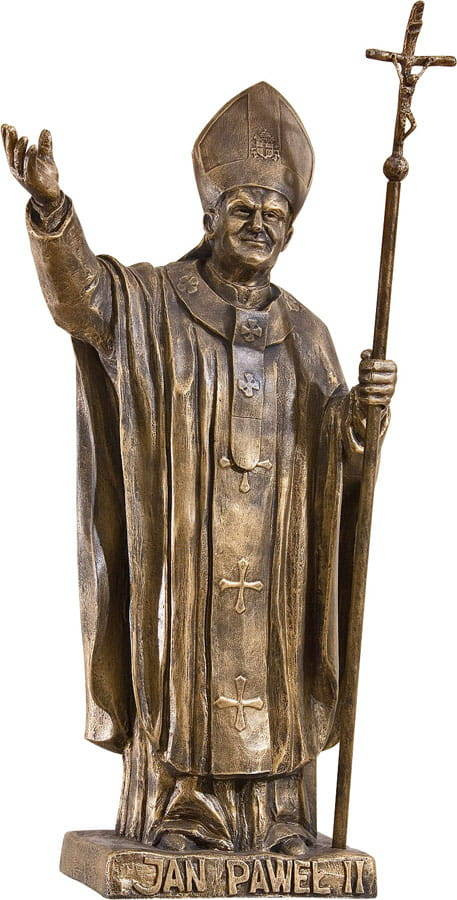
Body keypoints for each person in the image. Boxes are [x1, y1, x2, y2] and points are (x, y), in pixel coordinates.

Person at [1, 82, 396, 855]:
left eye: (274, 215)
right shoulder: (152, 302)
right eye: (243, 209)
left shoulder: (307, 333)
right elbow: (81, 300)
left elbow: (338, 456)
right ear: (209, 216)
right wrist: (52, 211)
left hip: (276, 561)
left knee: (277, 671)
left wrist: (362, 415)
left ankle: (278, 822)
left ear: (290, 230)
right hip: (183, 551)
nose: (259, 225)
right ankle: (183, 818)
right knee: (180, 670)